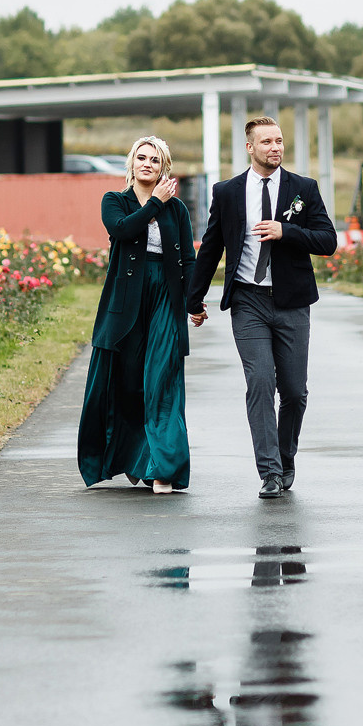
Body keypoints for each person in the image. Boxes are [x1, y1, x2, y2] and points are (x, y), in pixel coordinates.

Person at [188, 115, 338, 498]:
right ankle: (269, 472)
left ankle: (286, 458)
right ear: (250, 148)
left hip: (291, 303)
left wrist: (286, 231)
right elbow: (212, 247)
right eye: (267, 141)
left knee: (294, 391)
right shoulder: (227, 192)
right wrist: (194, 297)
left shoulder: (304, 188)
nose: (275, 147)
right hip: (247, 299)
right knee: (259, 382)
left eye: (279, 140)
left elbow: (327, 240)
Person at [77, 136, 196, 492]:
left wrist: (194, 301)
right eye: (141, 158)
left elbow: (187, 258)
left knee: (163, 381)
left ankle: (163, 469)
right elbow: (122, 230)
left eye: (155, 160)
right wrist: (155, 203)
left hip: (165, 296)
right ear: (132, 164)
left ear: (164, 168)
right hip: (127, 299)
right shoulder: (115, 200)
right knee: (128, 385)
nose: (147, 164)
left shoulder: (177, 209)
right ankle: (134, 456)